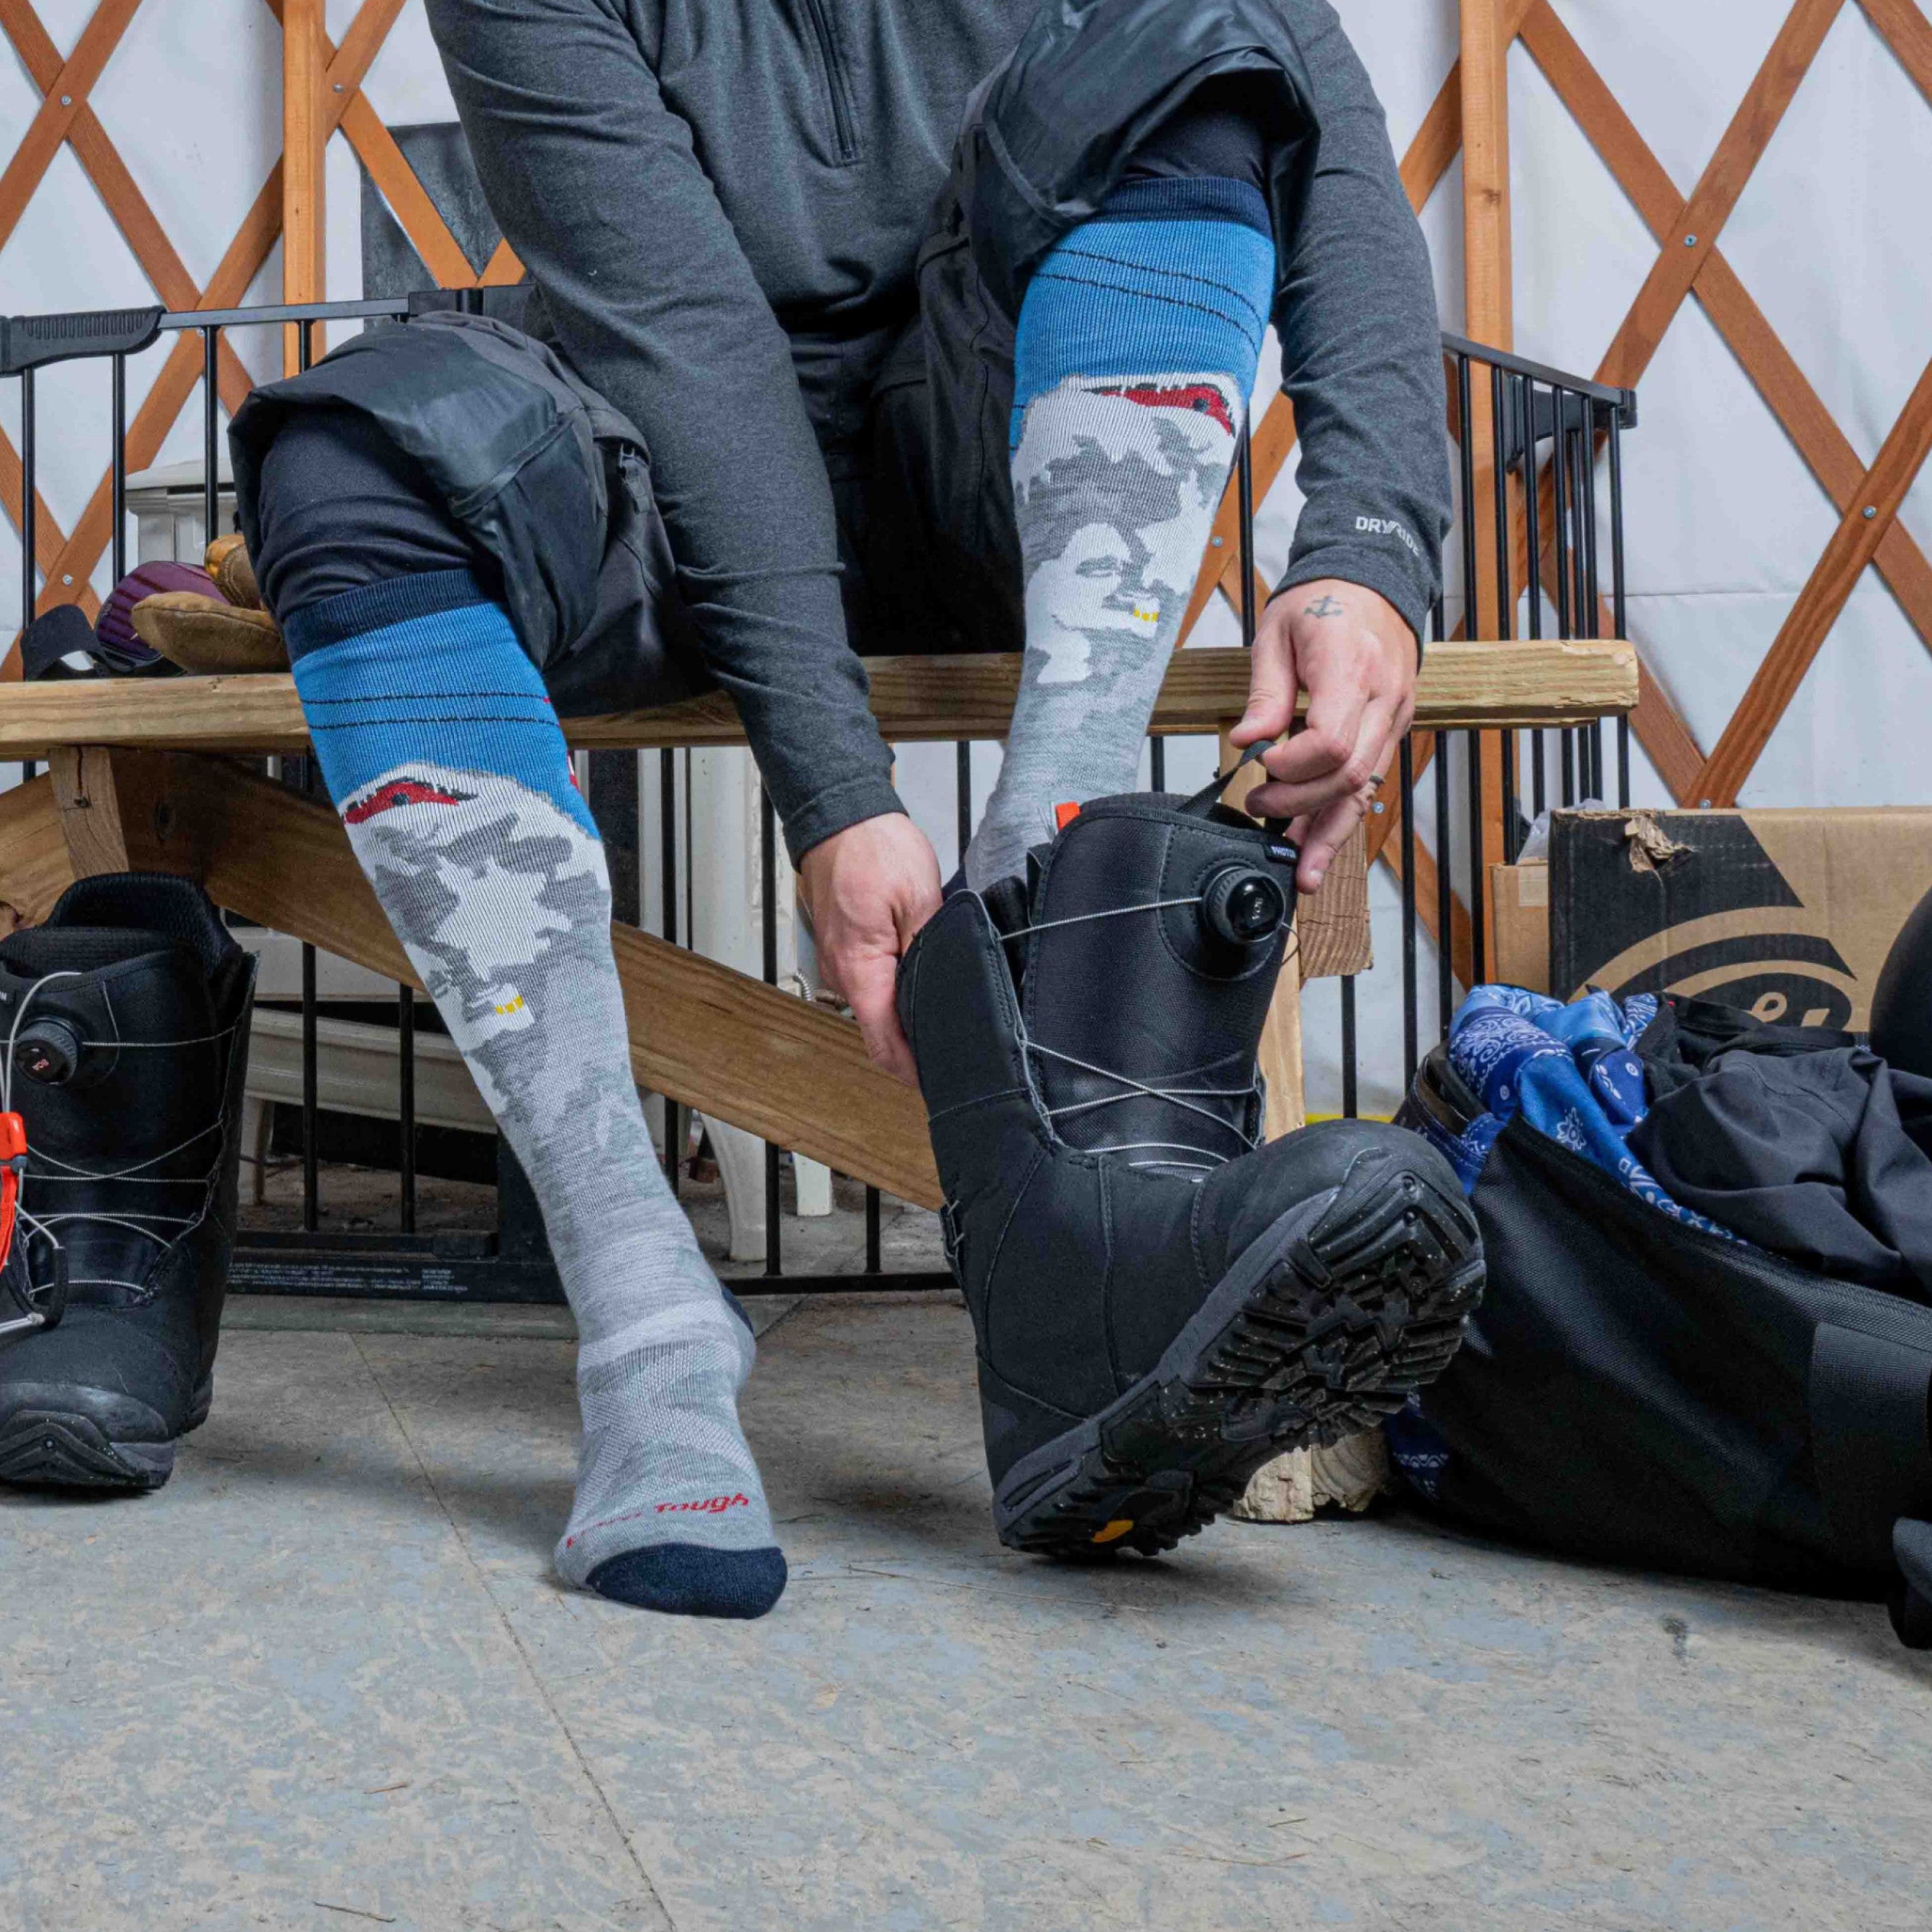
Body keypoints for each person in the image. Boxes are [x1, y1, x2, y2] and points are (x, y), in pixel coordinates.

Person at [229, 0, 1451, 1620]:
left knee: (1191, 57)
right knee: (346, 460)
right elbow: (687, 339)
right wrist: (839, 796)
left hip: (1007, 419)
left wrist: (1369, 546)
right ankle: (649, 1319)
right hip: (672, 471)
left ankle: (1048, 962)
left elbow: (1321, 112)